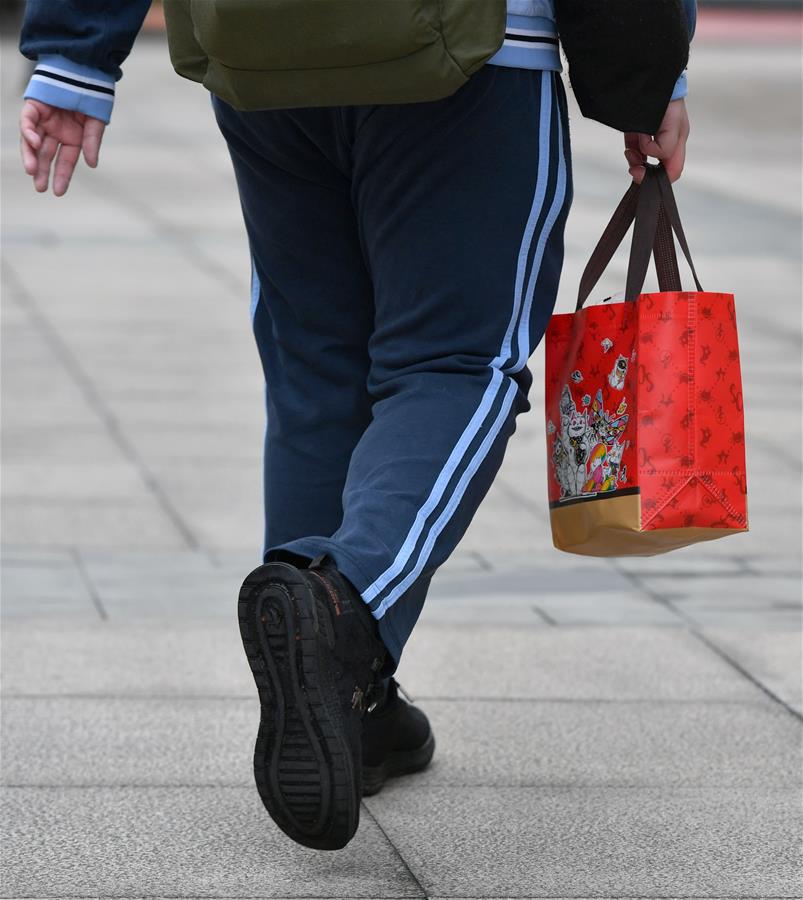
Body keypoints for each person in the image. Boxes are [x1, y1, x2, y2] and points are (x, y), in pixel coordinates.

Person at [18, 0, 695, 851]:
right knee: (455, 363)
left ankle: (352, 704)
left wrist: (74, 53)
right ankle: (343, 612)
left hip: (265, 50)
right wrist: (644, 73)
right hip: (466, 58)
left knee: (314, 372)